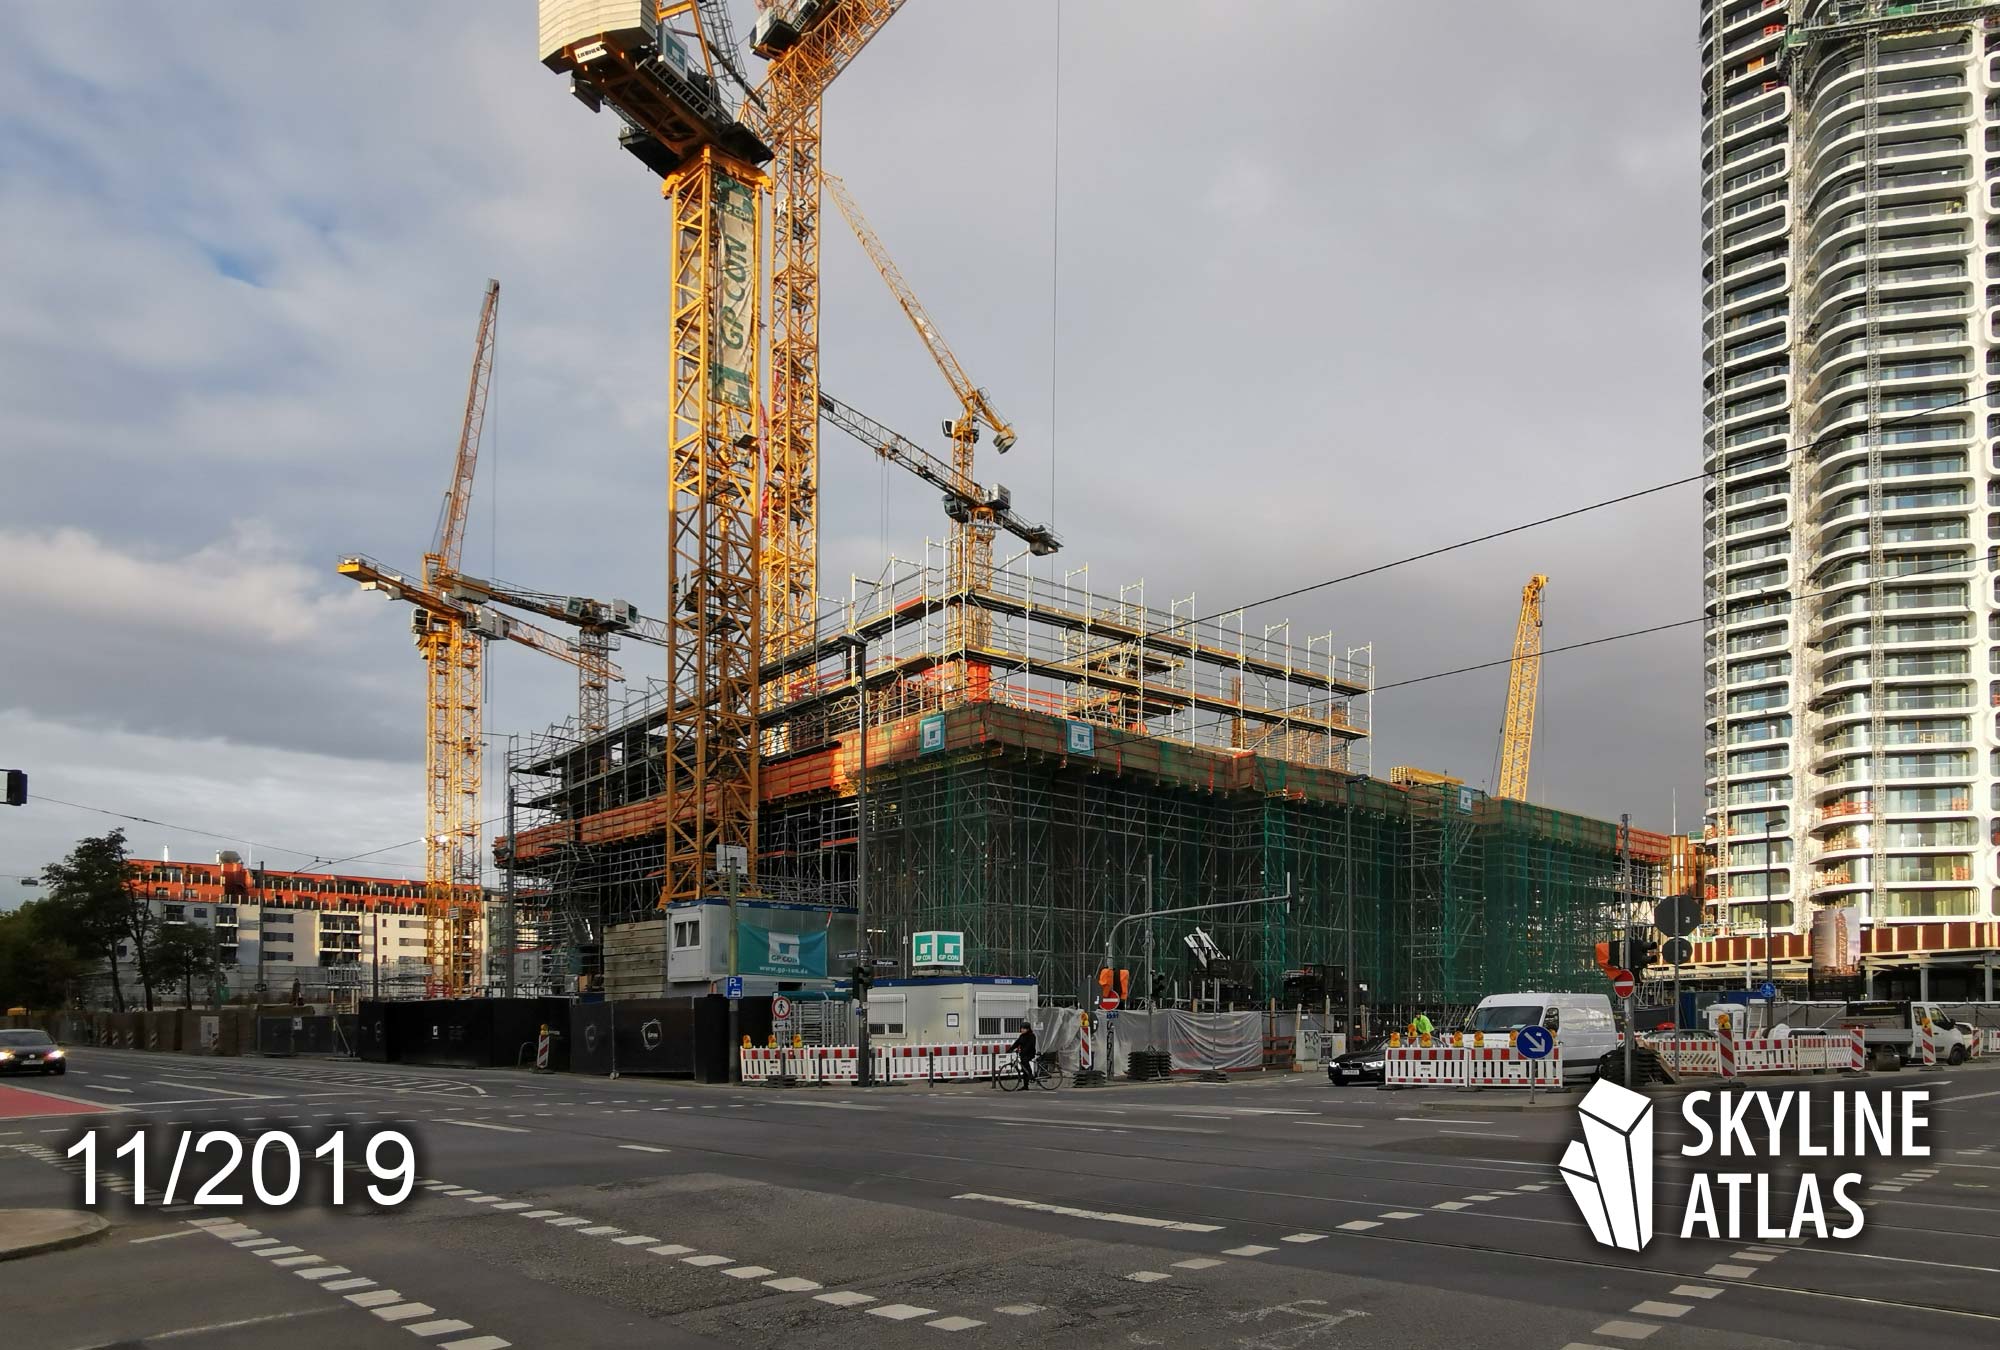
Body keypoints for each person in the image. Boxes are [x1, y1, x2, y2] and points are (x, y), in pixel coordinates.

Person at [1008, 1020, 1038, 1089]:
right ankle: (1025, 1086)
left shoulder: (1032, 1036)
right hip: (1023, 1054)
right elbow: (1017, 1043)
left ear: (1028, 1029)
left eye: (1024, 1028)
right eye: (1021, 1028)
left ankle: (1031, 1075)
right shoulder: (1022, 1036)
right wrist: (1011, 1049)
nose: (1022, 1030)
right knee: (1024, 1069)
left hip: (1030, 1053)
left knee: (1025, 1062)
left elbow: (1029, 1045)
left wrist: (1023, 1051)